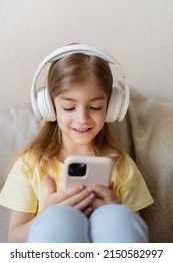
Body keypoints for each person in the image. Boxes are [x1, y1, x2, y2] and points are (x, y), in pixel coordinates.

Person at [0, 44, 154, 243]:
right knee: (58, 220)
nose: (82, 118)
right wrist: (46, 214)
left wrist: (117, 206)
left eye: (95, 107)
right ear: (49, 106)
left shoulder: (121, 164)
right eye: (69, 107)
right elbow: (13, 239)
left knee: (118, 217)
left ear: (111, 107)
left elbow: (137, 238)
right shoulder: (31, 164)